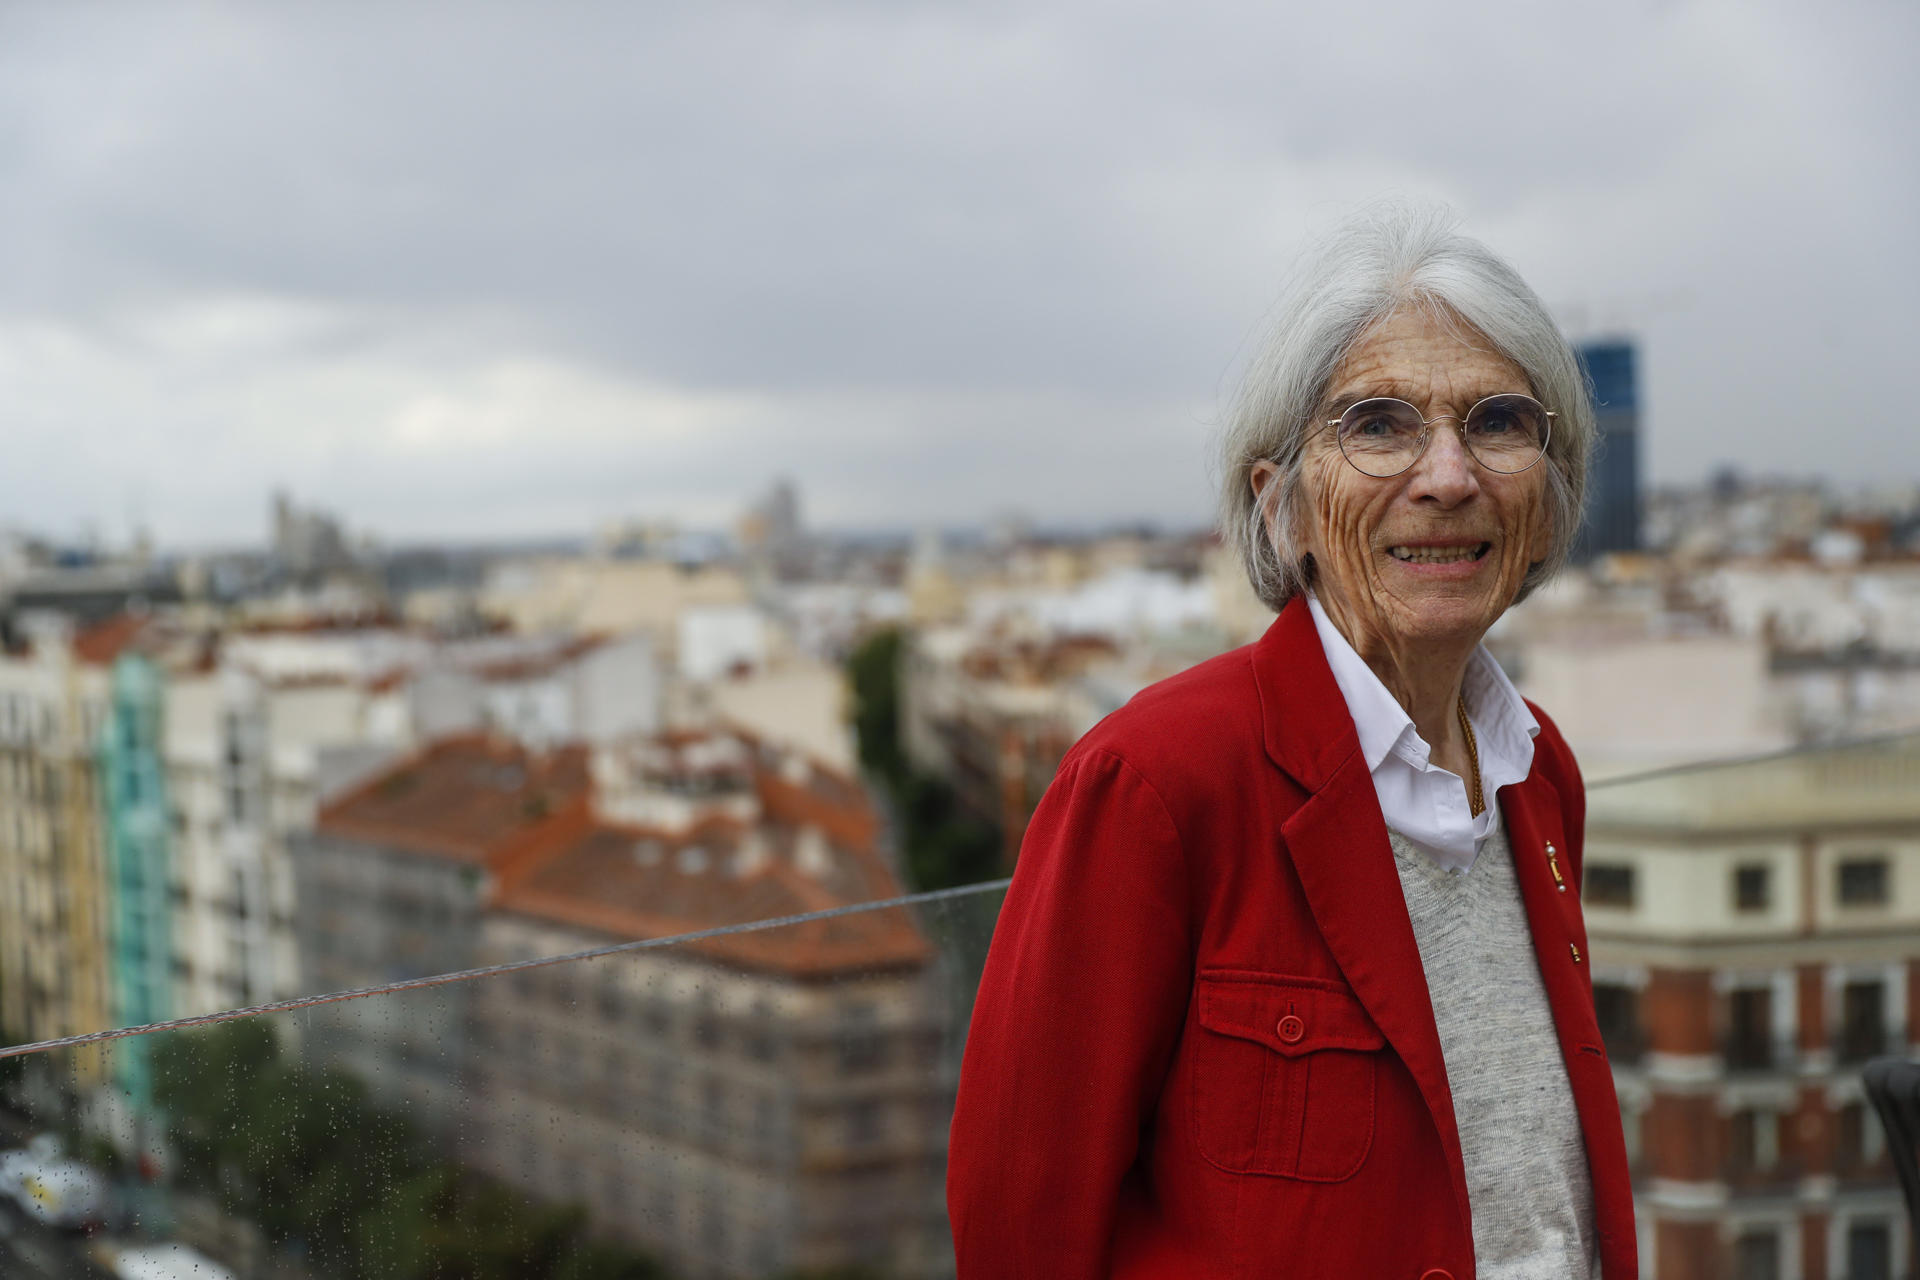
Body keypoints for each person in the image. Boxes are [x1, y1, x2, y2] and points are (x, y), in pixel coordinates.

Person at [947, 205, 1637, 1279]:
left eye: (1498, 421)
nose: (1447, 475)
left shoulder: (1539, 773)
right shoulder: (1156, 782)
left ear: (1547, 502)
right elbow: (1021, 1225)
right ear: (1285, 506)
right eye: (1379, 424)